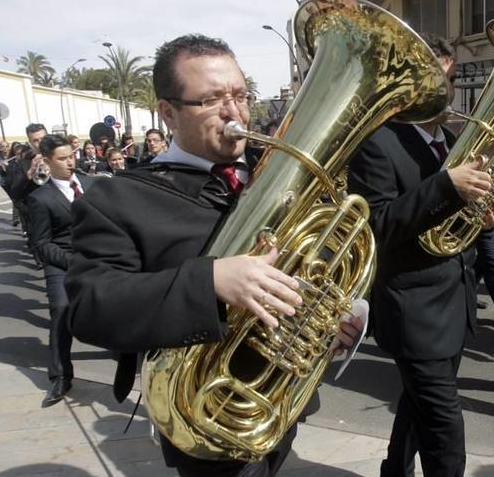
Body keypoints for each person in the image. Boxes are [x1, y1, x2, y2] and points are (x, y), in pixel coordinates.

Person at [66, 34, 362, 476]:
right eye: (211, 100)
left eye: (241, 95)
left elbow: (331, 254)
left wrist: (339, 312)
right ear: (168, 112)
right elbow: (91, 306)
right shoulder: (117, 198)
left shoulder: (284, 172)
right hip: (205, 413)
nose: (234, 112)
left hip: (283, 393)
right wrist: (211, 282)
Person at [348, 34, 494, 477]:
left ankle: (394, 471)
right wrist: (446, 186)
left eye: (450, 79)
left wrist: (485, 219)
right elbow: (375, 225)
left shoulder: (455, 138)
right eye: (432, 79)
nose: (444, 89)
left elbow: (456, 221)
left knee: (418, 407)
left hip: (453, 302)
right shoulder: (377, 141)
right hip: (413, 310)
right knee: (444, 428)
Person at [26, 134, 97, 407]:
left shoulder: (92, 184)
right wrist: (74, 263)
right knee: (61, 309)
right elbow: (42, 244)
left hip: (99, 257)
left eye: (72, 156)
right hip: (62, 263)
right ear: (46, 161)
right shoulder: (40, 198)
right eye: (63, 159)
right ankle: (60, 377)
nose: (71, 162)